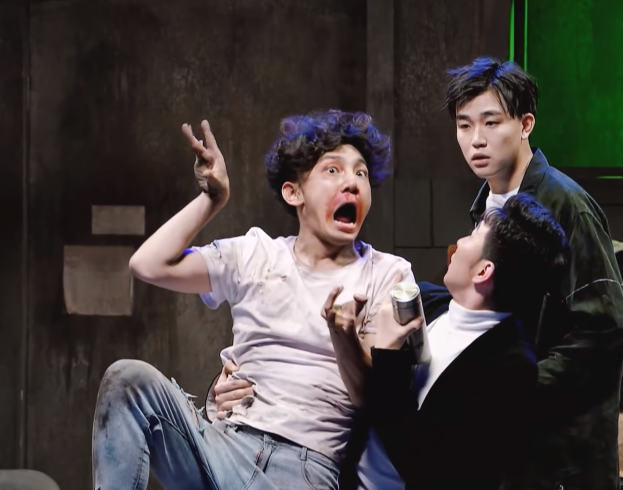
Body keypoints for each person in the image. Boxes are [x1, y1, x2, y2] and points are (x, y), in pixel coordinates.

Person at [91, 110, 415, 490]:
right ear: (294, 193)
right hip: (224, 446)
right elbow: (148, 264)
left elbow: (374, 399)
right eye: (333, 170)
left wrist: (343, 336)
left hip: (304, 468)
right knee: (127, 379)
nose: (352, 183)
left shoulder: (388, 275)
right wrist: (212, 199)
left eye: (361, 174)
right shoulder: (255, 253)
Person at [214, 193, 571, 490]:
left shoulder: (509, 369)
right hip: (335, 475)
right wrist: (230, 382)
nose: (458, 244)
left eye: (472, 235)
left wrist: (387, 358)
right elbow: (315, 354)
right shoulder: (427, 301)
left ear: (483, 271)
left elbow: (429, 466)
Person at [445, 57, 623, 489]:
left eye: (491, 123)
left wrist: (518, 390)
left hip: (563, 455)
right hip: (511, 449)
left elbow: (603, 328)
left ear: (526, 124)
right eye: (465, 126)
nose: (476, 139)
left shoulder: (567, 204)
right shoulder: (484, 206)